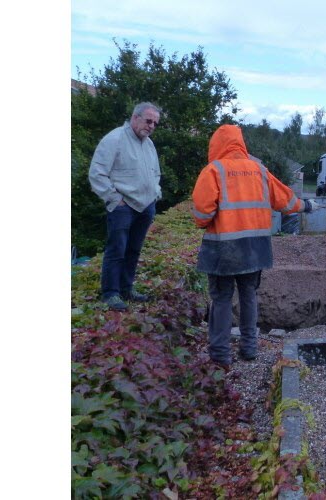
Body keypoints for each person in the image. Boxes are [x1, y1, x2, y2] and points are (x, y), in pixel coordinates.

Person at [192, 124, 314, 368]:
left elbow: (201, 215)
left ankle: (220, 355)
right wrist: (307, 206)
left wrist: (209, 220)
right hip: (255, 247)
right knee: (249, 295)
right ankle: (249, 347)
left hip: (223, 248)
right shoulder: (259, 170)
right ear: (240, 143)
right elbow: (286, 201)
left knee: (222, 299)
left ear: (216, 144)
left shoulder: (214, 170)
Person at [88, 102, 163, 311]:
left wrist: (155, 193)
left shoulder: (149, 144)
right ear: (135, 117)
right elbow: (97, 173)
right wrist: (114, 199)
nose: (151, 126)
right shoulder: (114, 139)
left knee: (133, 250)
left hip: (146, 206)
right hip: (123, 206)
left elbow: (155, 172)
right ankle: (110, 293)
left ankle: (126, 288)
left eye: (155, 123)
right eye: (148, 121)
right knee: (117, 250)